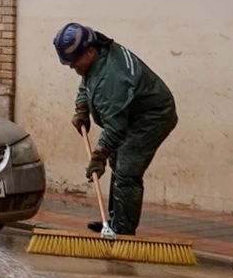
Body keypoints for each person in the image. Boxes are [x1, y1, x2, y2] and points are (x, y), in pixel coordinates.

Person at [54, 22, 178, 237]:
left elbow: (115, 128)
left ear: (90, 51)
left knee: (127, 168)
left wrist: (99, 156)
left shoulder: (113, 77)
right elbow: (86, 82)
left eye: (75, 64)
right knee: (118, 161)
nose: (74, 69)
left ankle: (123, 230)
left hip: (153, 117)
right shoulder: (96, 56)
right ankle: (113, 221)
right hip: (131, 112)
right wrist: (81, 107)